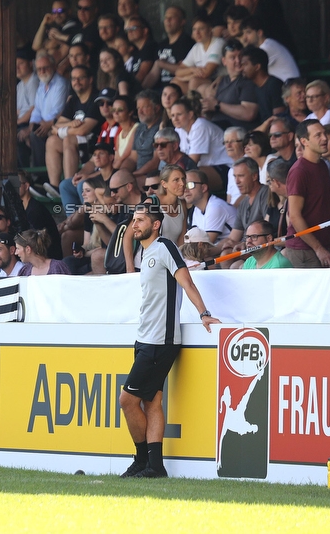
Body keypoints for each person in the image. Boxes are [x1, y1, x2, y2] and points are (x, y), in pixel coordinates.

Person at [118, 203, 219, 478]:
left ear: (156, 225)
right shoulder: (147, 252)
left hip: (160, 340)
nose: (135, 225)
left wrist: (204, 313)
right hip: (145, 338)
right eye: (133, 220)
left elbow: (186, 281)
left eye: (140, 220)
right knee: (152, 403)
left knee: (127, 401)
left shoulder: (164, 247)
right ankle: (156, 467)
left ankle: (142, 460)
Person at [282, 120, 330, 268]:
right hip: (303, 248)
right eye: (318, 135)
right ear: (304, 141)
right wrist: (318, 248)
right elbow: (294, 216)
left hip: (325, 243)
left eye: (325, 133)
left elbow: (326, 208)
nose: (324, 138)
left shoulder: (322, 166)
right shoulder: (299, 171)